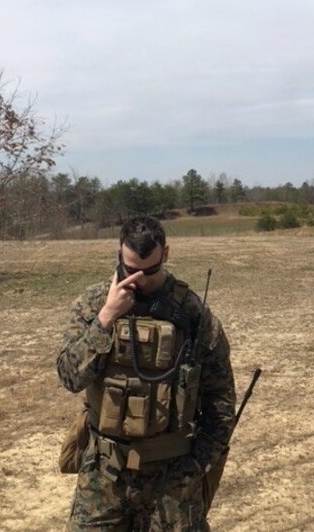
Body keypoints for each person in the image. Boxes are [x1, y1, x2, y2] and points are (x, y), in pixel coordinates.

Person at [57, 215, 235, 531]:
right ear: (118, 254)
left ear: (165, 254)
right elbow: (70, 377)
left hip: (173, 478)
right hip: (104, 472)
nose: (139, 279)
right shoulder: (95, 304)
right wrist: (106, 319)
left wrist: (196, 466)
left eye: (149, 271)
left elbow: (220, 399)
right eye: (129, 269)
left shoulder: (193, 313)